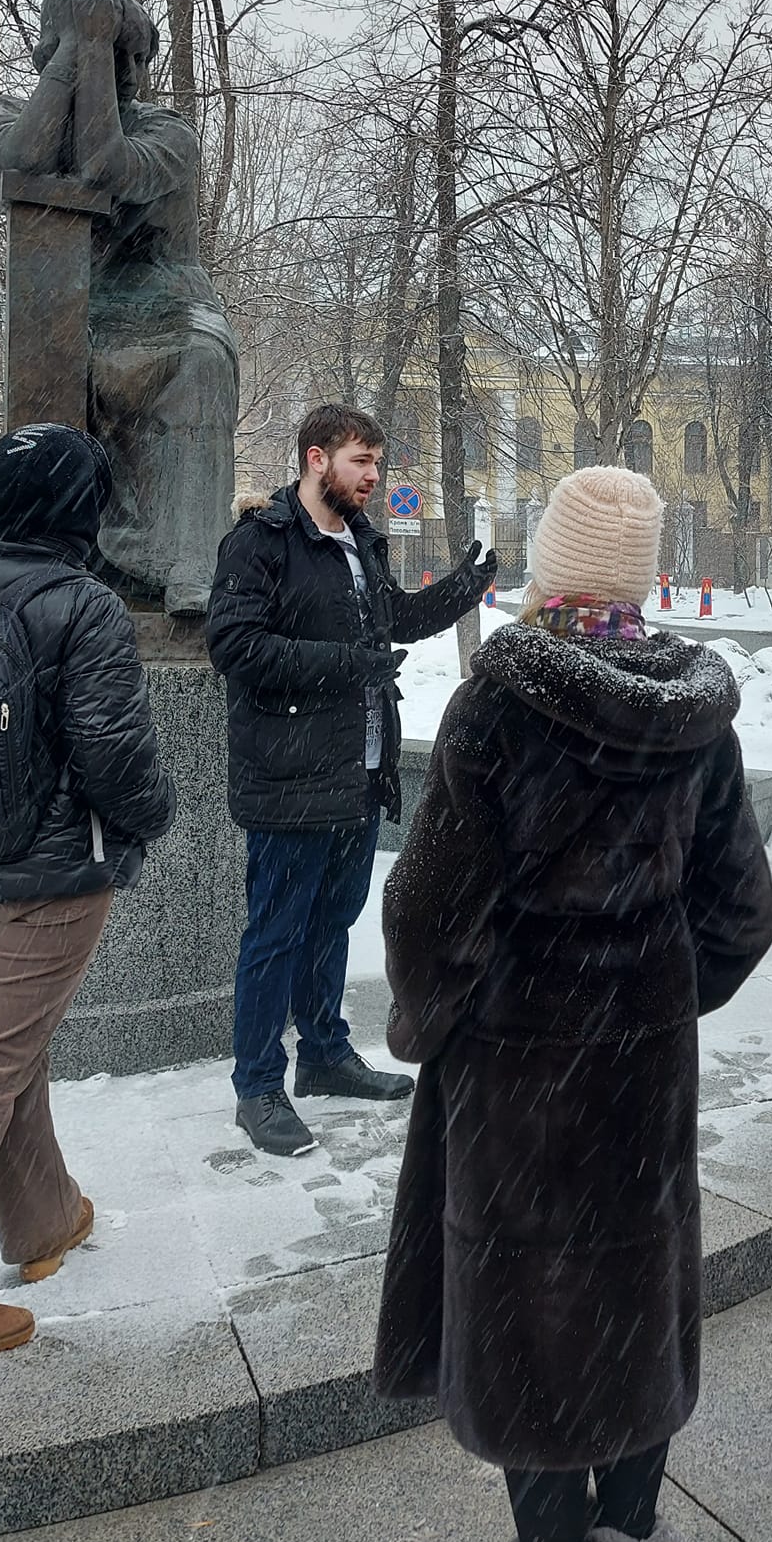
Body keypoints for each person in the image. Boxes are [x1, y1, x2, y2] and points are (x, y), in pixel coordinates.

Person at [373, 466, 772, 1542]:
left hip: (516, 1069)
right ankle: (632, 1531)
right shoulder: (696, 718)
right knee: (633, 1290)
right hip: (644, 1072)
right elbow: (742, 910)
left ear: (553, 564)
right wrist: (656, 997)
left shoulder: (499, 706)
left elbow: (430, 910)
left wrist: (434, 1020)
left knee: (528, 1302)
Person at [0, 424, 176, 1358]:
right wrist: (154, 818)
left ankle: (44, 1221)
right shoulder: (81, 603)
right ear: (76, 509)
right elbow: (115, 756)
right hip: (48, 879)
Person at [206, 403, 497, 1158]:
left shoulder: (360, 541)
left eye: (376, 463)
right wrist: (347, 666)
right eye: (360, 461)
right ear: (316, 459)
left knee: (332, 923)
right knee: (275, 934)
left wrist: (463, 589)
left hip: (359, 773)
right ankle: (257, 1086)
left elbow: (392, 619)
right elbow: (234, 646)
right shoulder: (260, 542)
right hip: (289, 775)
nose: (373, 476)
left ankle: (325, 1056)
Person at [0, 0, 238, 616]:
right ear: (55, 50)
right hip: (75, 314)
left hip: (169, 310)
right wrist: (82, 47)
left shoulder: (169, 132)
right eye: (112, 51)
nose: (125, 71)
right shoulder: (12, 115)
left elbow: (104, 165)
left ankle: (186, 565)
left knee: (201, 362)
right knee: (48, 369)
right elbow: (22, 160)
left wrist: (92, 48)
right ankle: (51, 560)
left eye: (131, 56)